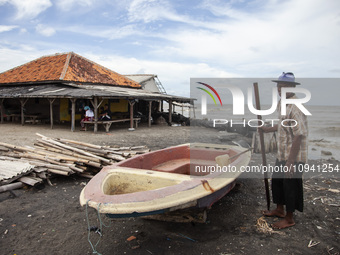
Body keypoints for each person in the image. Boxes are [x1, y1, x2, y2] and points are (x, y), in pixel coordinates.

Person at [261, 72, 308, 229]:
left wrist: (290, 161)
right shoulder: (283, 104)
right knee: (277, 181)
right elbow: (283, 125)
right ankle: (280, 210)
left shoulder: (296, 107)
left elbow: (299, 135)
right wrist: (267, 129)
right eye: (278, 86)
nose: (280, 89)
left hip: (293, 157)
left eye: (283, 86)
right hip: (283, 153)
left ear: (291, 88)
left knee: (290, 185)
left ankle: (289, 218)